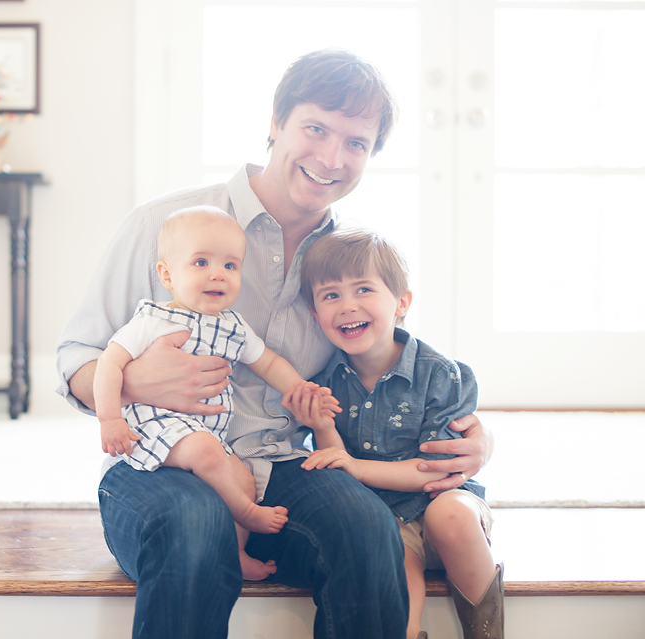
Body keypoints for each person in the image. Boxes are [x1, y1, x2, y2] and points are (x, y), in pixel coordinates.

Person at [57, 48, 492, 639]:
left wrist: (472, 436)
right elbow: (74, 358)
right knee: (195, 521)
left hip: (282, 463)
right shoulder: (166, 227)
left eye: (356, 143)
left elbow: (391, 366)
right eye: (316, 129)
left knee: (368, 531)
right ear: (274, 123)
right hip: (163, 464)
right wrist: (132, 381)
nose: (332, 157)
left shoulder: (343, 264)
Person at [95, 205, 339, 581]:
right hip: (156, 428)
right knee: (208, 453)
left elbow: (268, 362)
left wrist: (299, 387)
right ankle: (247, 514)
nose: (217, 274)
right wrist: (110, 419)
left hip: (206, 434)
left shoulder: (233, 327)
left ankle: (236, 550)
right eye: (200, 262)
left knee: (242, 477)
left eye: (230, 266)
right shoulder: (153, 320)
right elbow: (109, 365)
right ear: (167, 275)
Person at [292, 226, 503, 639]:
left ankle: (486, 633)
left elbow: (435, 472)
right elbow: (335, 462)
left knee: (450, 516)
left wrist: (355, 467)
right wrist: (321, 426)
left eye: (363, 290)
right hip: (387, 520)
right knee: (391, 569)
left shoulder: (440, 374)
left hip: (445, 502)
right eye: (331, 295)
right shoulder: (325, 381)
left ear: (401, 302)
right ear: (316, 316)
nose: (347, 305)